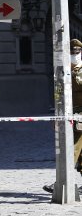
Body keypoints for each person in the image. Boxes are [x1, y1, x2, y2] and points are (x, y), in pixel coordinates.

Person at [43, 39, 82, 195]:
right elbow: (59, 93)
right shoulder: (63, 69)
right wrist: (57, 115)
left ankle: (61, 182)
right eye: (71, 52)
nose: (74, 54)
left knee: (72, 147)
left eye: (77, 51)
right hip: (69, 112)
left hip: (80, 114)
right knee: (80, 151)